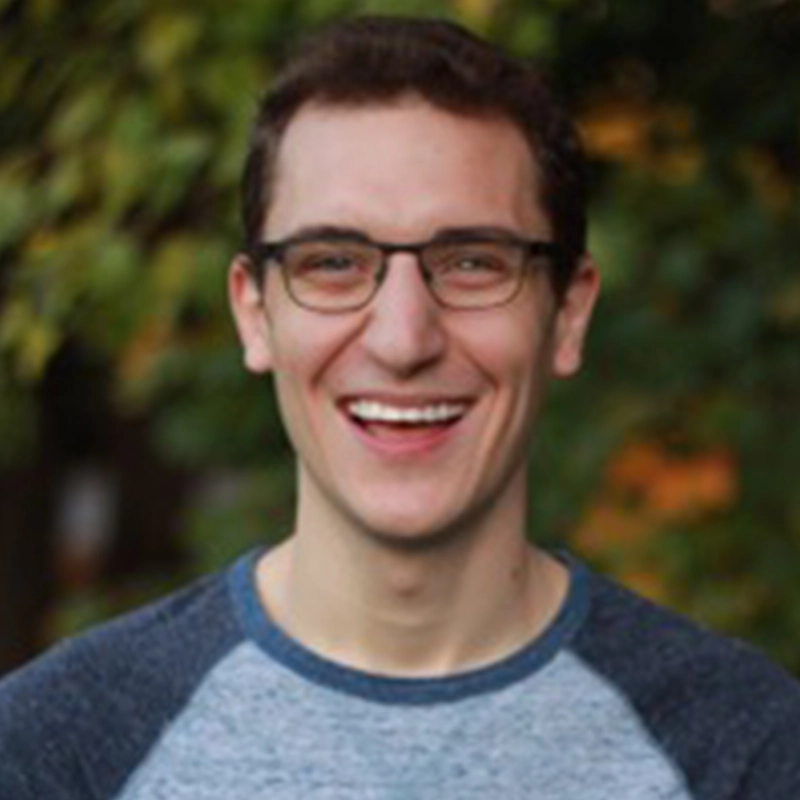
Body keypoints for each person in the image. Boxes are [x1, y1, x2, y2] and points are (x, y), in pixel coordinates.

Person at [1, 15, 798, 799]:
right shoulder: (57, 752)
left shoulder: (748, 751)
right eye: (335, 262)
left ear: (567, 314)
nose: (403, 338)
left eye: (474, 262)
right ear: (255, 312)